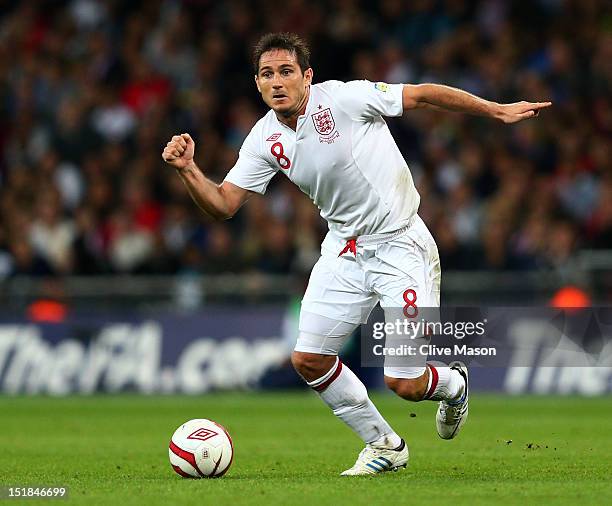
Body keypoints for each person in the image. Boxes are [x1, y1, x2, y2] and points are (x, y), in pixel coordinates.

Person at [162, 32, 551, 476]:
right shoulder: (264, 138)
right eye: (267, 74)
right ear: (257, 83)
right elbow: (224, 204)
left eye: (286, 71)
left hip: (401, 245)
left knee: (403, 383)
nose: (277, 82)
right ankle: (385, 445)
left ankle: (453, 384)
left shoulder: (346, 99)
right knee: (308, 359)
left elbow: (421, 94)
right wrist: (189, 170)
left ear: (307, 77)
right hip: (343, 250)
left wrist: (495, 109)